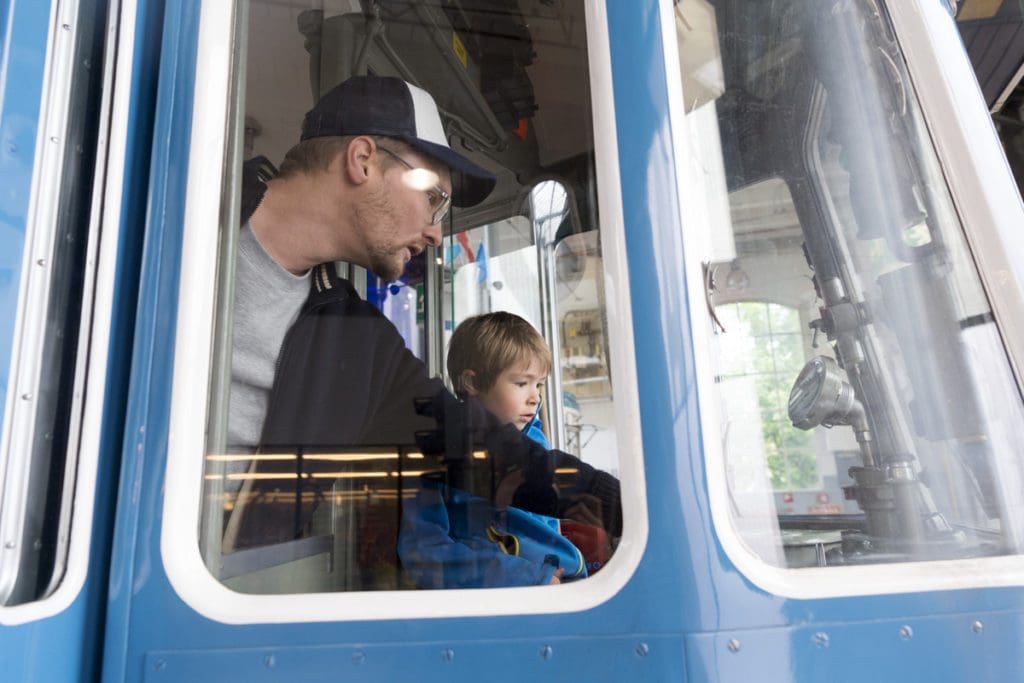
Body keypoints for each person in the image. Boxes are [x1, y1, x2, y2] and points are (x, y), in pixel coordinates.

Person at [224, 75, 620, 566]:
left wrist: (618, 502)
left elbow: (480, 450)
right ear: (362, 160)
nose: (436, 232)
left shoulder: (355, 342)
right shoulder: (180, 204)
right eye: (433, 196)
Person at [398, 313, 586, 588]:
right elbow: (425, 552)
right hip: (501, 597)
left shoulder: (535, 441)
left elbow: (546, 528)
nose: (535, 397)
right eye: (521, 383)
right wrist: (527, 578)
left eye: (539, 384)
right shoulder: (433, 452)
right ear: (472, 383)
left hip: (564, 581)